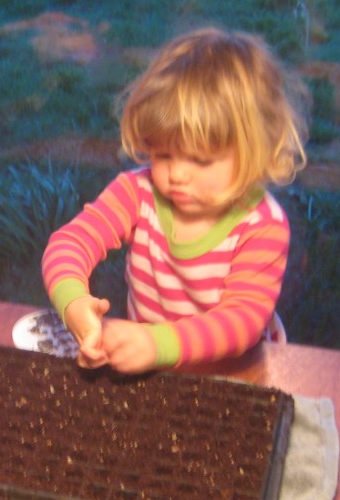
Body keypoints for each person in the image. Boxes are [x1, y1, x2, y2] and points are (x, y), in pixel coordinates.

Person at [42, 27, 306, 374]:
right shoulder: (137, 191)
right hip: (153, 373)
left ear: (254, 152)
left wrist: (157, 344)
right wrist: (74, 304)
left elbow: (242, 321)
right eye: (164, 154)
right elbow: (69, 243)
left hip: (237, 377)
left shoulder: (262, 225)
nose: (177, 174)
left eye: (200, 160)